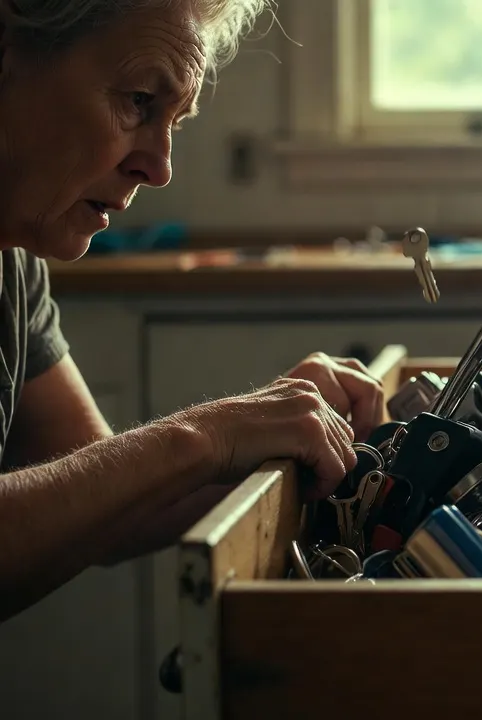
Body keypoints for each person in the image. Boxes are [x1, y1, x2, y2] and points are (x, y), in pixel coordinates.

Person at [0, 0, 377, 620]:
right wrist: (206, 435)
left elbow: (109, 513)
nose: (159, 167)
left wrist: (270, 428)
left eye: (174, 120)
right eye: (139, 101)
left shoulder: (14, 256)